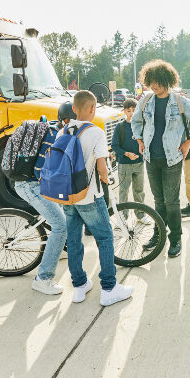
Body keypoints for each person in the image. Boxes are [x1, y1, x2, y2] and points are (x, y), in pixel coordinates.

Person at [59, 90, 134, 306]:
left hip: (68, 196)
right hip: (90, 196)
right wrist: (107, 178)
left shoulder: (62, 130)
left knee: (73, 240)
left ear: (73, 109)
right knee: (104, 237)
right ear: (92, 108)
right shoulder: (96, 132)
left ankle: (79, 285)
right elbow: (102, 166)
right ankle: (109, 288)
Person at [131, 60, 190, 258]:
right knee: (158, 201)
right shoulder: (145, 101)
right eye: (151, 82)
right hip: (151, 158)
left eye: (158, 82)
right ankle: (159, 234)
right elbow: (135, 122)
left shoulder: (180, 102)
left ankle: (175, 238)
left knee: (171, 201)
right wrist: (139, 140)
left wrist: (188, 142)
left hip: (173, 159)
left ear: (167, 81)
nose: (154, 86)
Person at [13, 106, 73, 295]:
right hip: (30, 186)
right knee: (60, 226)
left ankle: (56, 249)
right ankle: (43, 278)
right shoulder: (53, 136)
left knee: (63, 210)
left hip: (32, 184)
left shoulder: (55, 132)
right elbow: (40, 170)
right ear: (66, 121)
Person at [111, 98, 148, 222]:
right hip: (124, 164)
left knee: (139, 190)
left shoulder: (142, 126)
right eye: (128, 110)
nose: (131, 113)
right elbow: (114, 146)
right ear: (124, 111)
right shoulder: (120, 127)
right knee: (124, 191)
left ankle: (141, 215)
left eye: (134, 110)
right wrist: (126, 153)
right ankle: (123, 217)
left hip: (139, 163)